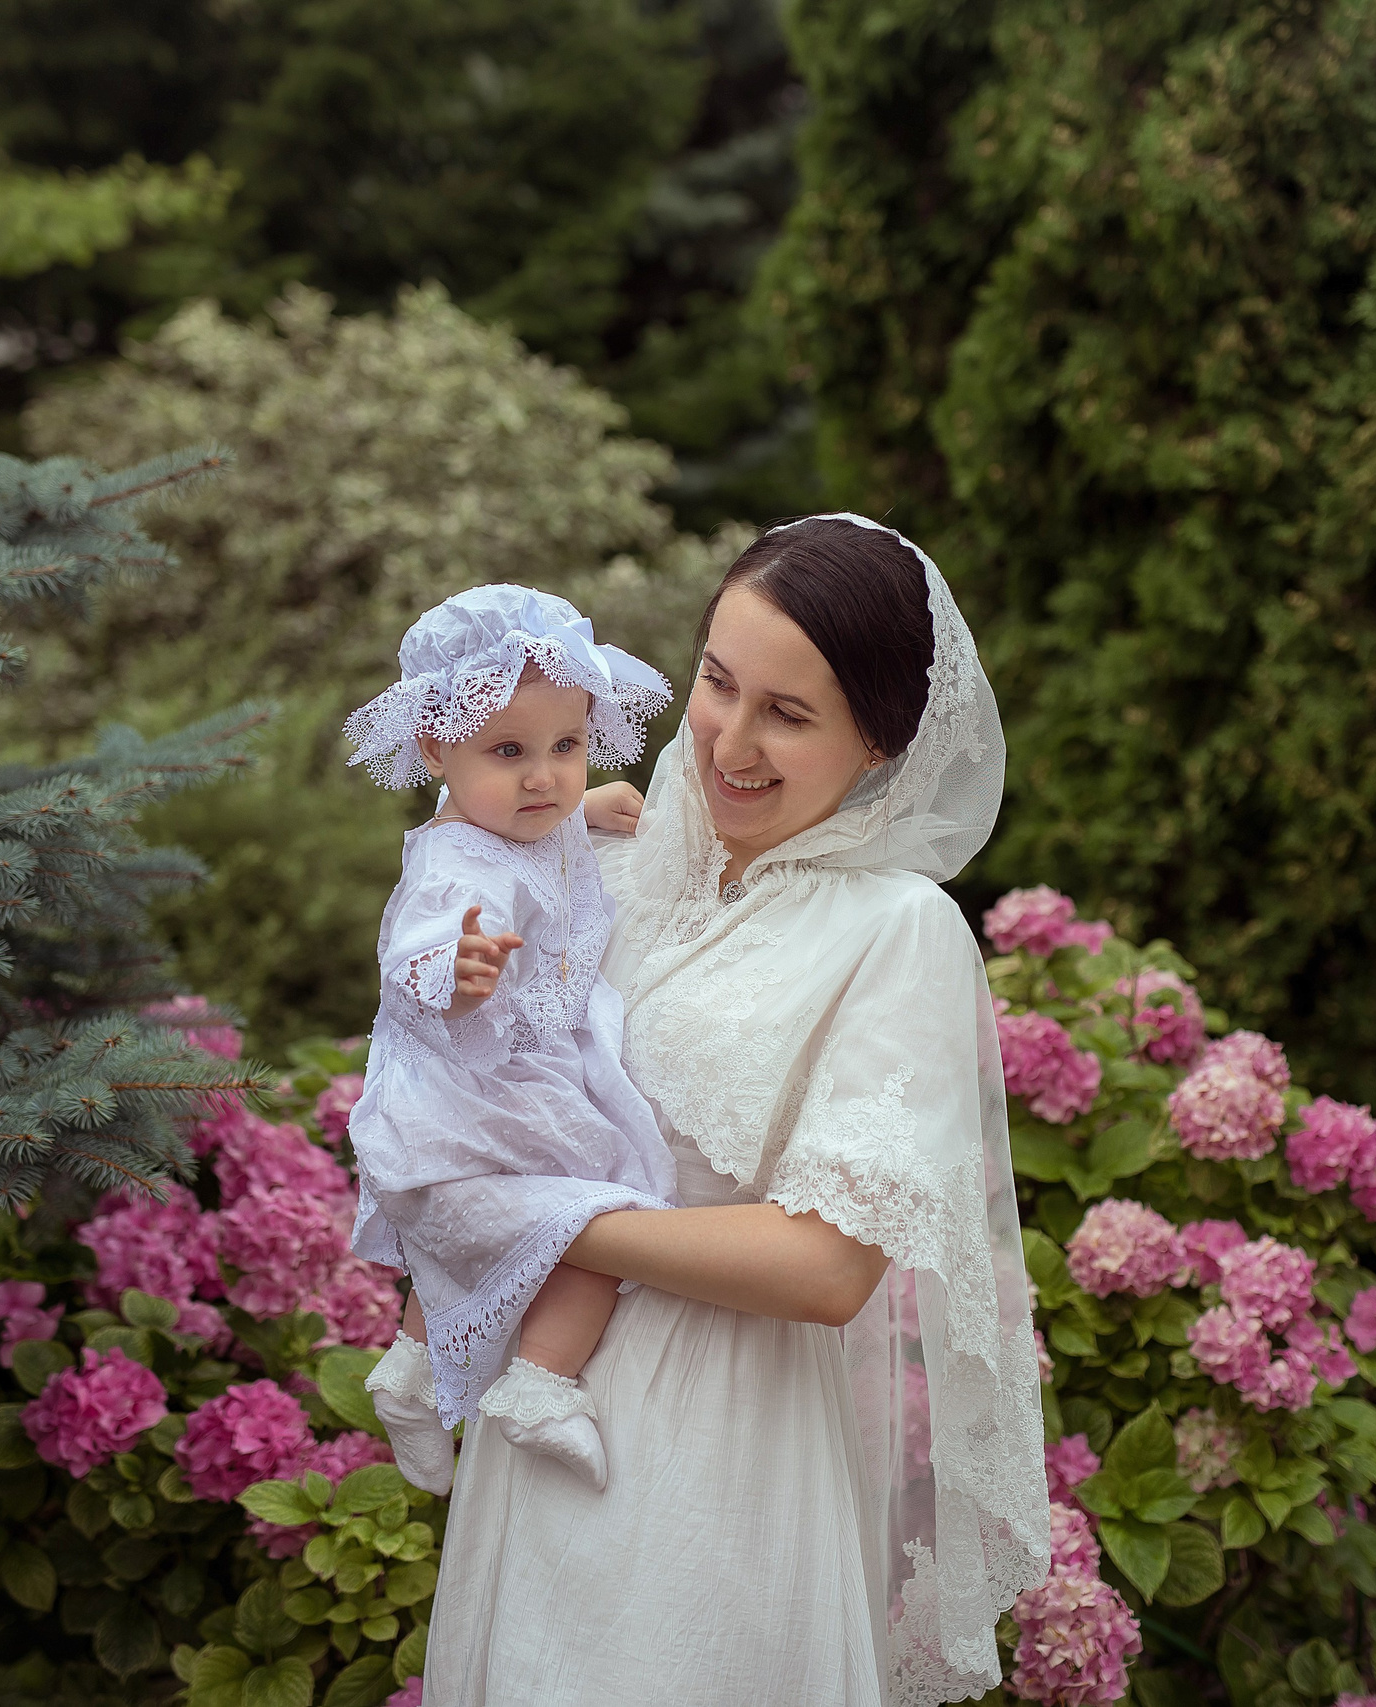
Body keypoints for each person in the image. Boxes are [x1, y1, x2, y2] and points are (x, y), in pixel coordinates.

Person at [426, 515, 1052, 1706]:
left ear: (881, 741)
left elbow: (827, 1266)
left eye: (790, 713)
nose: (731, 741)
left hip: (716, 1450)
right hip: (539, 1422)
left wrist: (538, 1217)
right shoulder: (608, 861)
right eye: (718, 682)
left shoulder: (895, 929)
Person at [343, 585, 682, 1496]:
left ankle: (414, 1371)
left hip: (491, 1089)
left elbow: (548, 822)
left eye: (566, 746)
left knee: (493, 1230)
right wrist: (453, 969)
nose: (543, 777)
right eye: (509, 752)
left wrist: (590, 804)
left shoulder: (518, 815)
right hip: (486, 1087)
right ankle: (541, 1381)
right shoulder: (457, 864)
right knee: (603, 1208)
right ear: (435, 750)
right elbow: (419, 940)